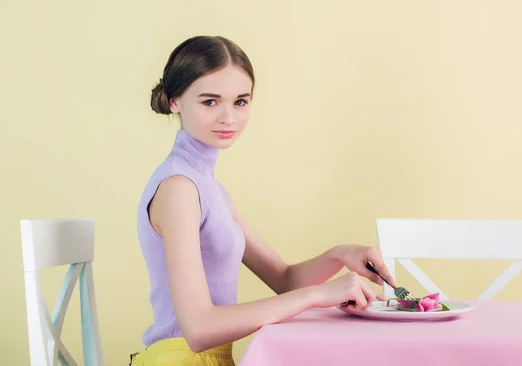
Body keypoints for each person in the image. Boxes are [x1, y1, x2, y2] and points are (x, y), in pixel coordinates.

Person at [130, 35, 396, 366]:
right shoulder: (179, 187)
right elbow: (198, 330)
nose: (228, 117)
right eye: (210, 102)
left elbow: (284, 280)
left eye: (240, 101)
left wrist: (340, 255)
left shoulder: (207, 188)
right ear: (174, 101)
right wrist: (316, 296)